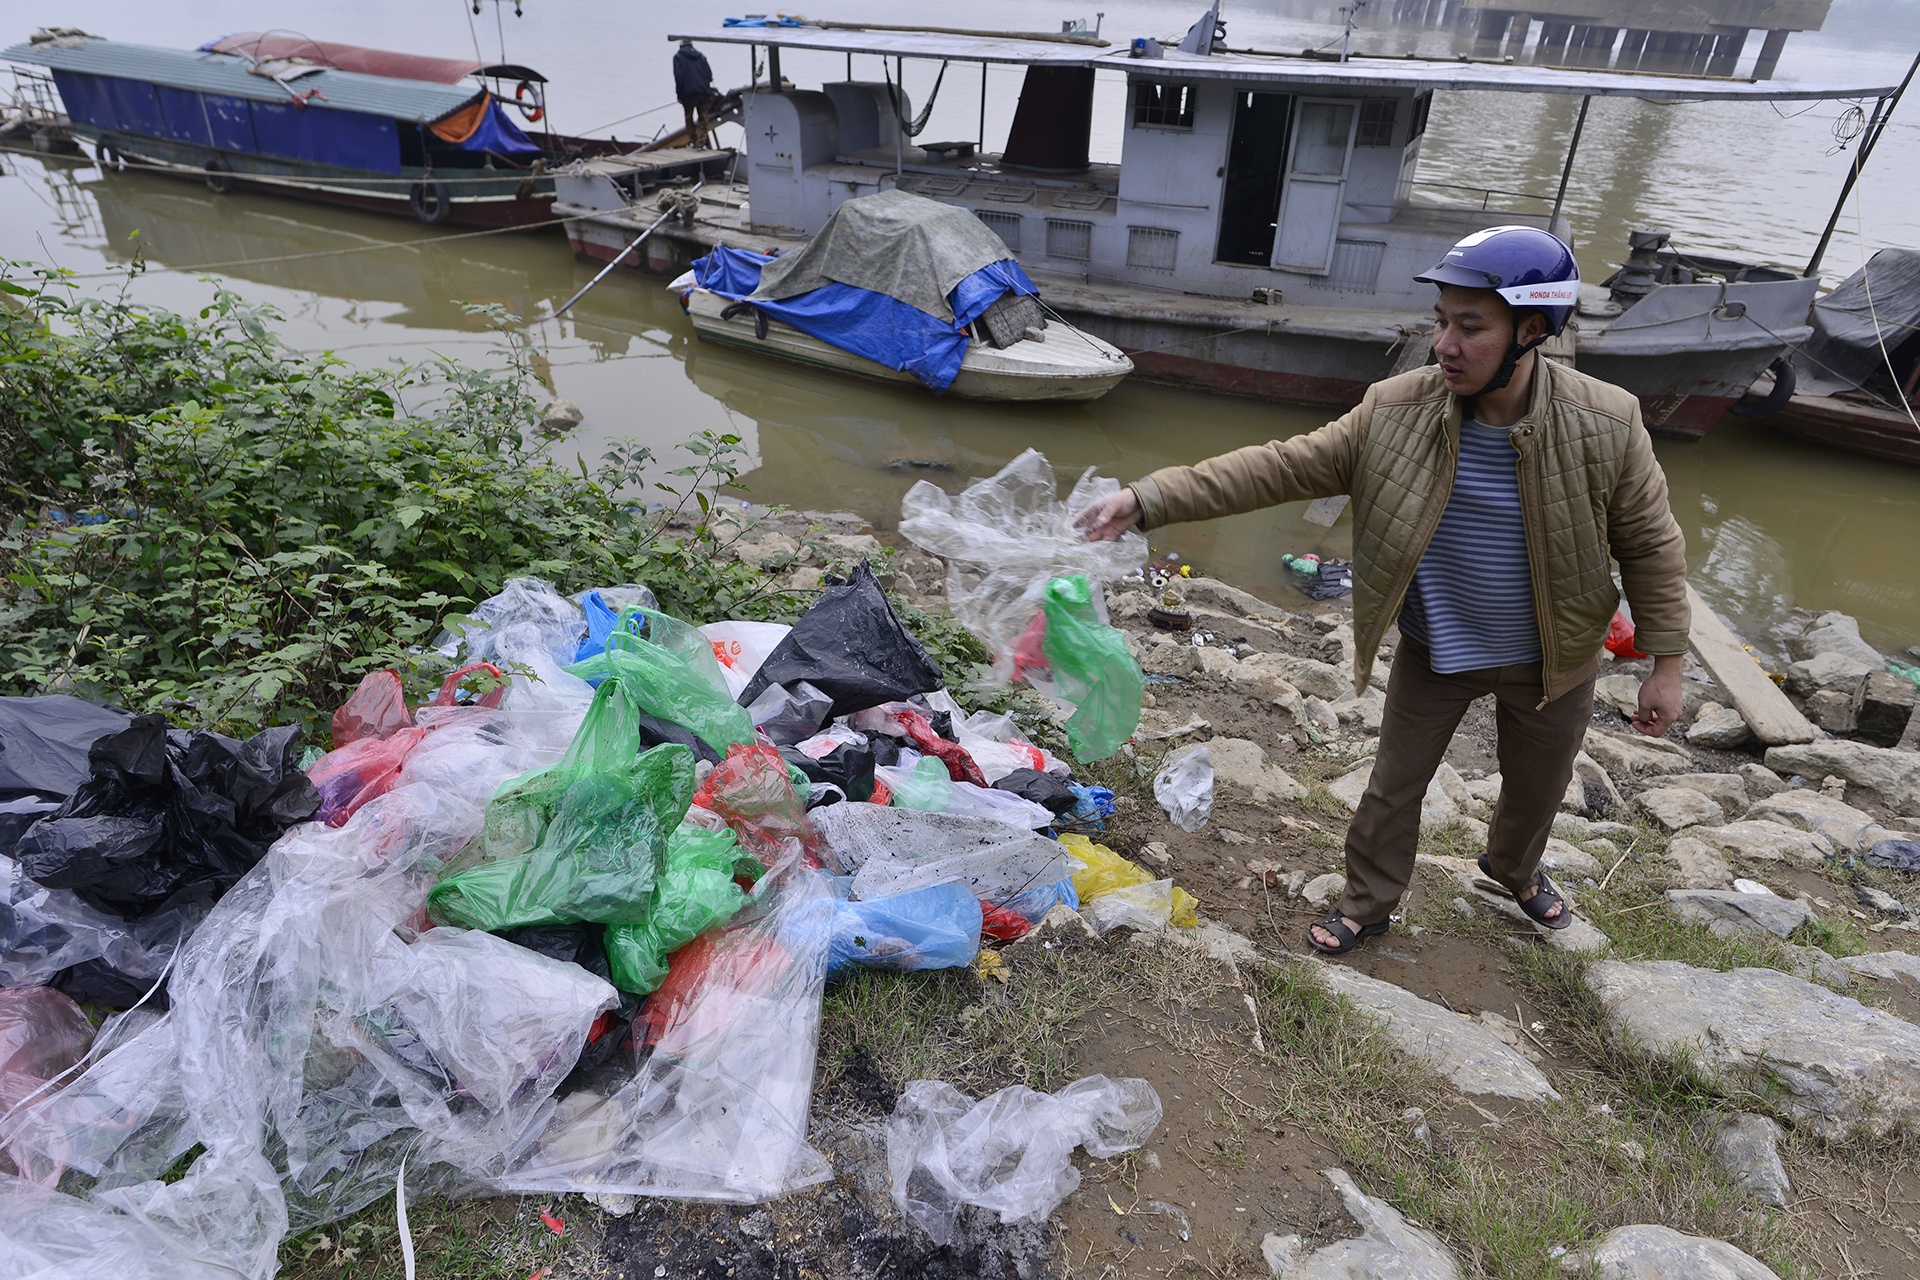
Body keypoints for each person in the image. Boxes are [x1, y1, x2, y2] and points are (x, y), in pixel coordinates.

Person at [1075, 225, 1690, 955]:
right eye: (1440, 323)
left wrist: (1668, 663)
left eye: (1470, 327)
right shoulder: (1394, 410)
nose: (1444, 345)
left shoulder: (1607, 422)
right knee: (1393, 787)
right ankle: (1369, 902)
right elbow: (1281, 466)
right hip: (1438, 646)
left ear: (1531, 330)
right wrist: (1149, 498)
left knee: (1538, 786)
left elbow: (1651, 543)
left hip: (1554, 656)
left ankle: (1516, 870)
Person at [673, 38, 717, 147]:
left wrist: (679, 95)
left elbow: (678, 78)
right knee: (703, 120)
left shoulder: (678, 57)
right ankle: (700, 142)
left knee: (689, 118)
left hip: (688, 95)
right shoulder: (701, 56)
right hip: (704, 93)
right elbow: (709, 75)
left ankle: (694, 141)